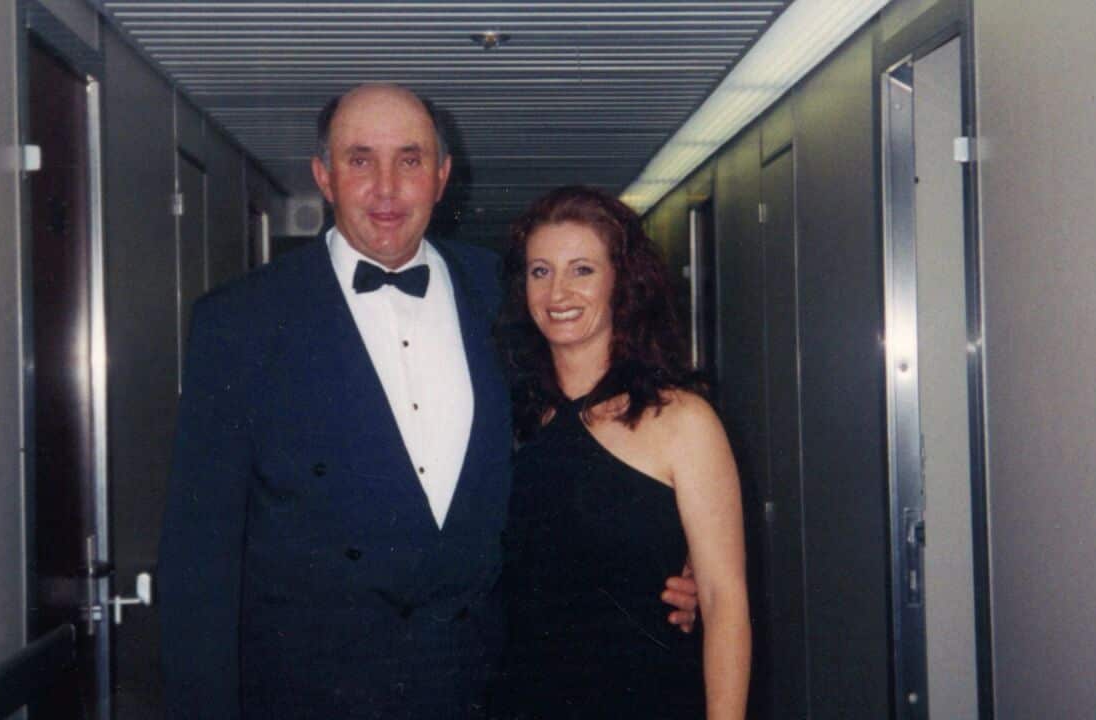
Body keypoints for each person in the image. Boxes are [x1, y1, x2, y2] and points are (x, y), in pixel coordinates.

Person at [157, 85, 699, 719]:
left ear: (442, 177)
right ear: (323, 176)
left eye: (410, 160)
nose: (386, 188)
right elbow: (199, 556)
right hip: (309, 696)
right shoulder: (240, 322)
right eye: (360, 160)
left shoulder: (506, 294)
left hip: (486, 687)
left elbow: (596, 432)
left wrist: (668, 549)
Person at [491, 186, 750, 719]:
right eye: (541, 271)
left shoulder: (682, 421)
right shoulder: (505, 416)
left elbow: (725, 604)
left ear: (621, 282)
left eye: (581, 269)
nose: (558, 291)